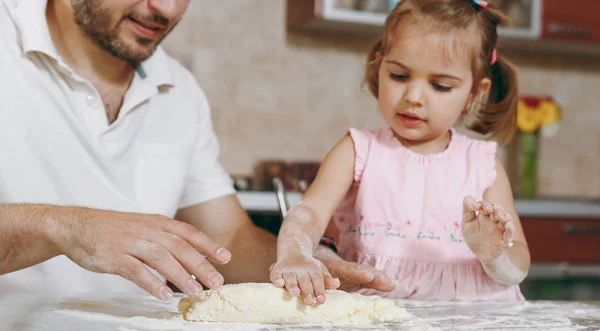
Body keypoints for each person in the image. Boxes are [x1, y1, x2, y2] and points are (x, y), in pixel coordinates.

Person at [0, 0, 396, 299]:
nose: (167, 9)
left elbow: (230, 238)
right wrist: (64, 227)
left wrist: (300, 263)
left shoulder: (179, 89)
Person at [270, 0, 531, 305]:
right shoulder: (357, 151)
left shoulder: (484, 165)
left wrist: (495, 255)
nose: (414, 96)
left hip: (475, 329)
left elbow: (519, 263)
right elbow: (309, 214)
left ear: (474, 93)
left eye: (440, 86)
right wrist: (295, 254)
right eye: (399, 76)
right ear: (379, 66)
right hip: (377, 327)